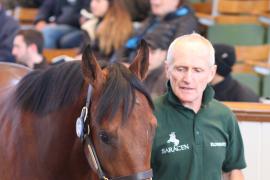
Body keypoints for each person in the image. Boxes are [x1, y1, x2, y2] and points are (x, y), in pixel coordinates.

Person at [151, 33, 246, 180]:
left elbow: (233, 170)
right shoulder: (149, 115)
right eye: (181, 69)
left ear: (211, 73)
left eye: (197, 70)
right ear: (167, 69)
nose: (188, 79)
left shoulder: (225, 116)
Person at [112, 0, 199, 63]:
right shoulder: (154, 17)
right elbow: (128, 43)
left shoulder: (187, 21)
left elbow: (177, 57)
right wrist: (116, 64)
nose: (154, 2)